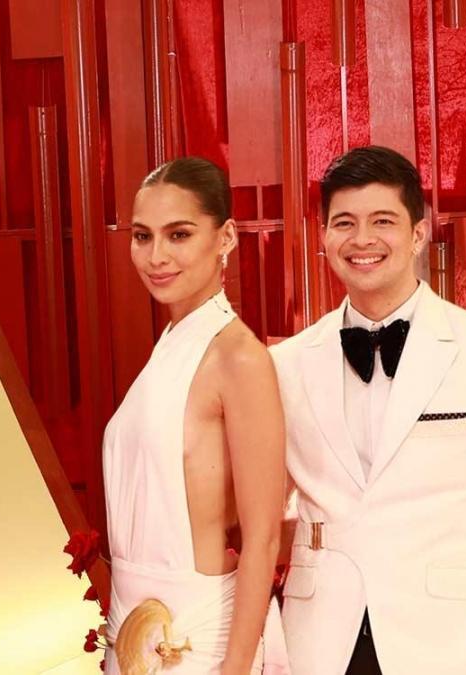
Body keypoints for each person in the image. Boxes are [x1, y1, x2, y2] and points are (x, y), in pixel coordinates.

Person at [270, 145, 466, 675]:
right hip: (320, 645)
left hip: (449, 646)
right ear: (323, 236)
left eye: (383, 221)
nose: (363, 239)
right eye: (344, 223)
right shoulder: (284, 364)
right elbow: (260, 515)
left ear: (419, 233)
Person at [102, 157, 288, 674]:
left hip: (202, 643)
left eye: (179, 235)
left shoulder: (239, 358)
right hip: (131, 634)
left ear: (225, 237)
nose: (156, 256)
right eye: (142, 236)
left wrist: (235, 667)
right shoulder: (169, 345)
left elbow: (263, 538)